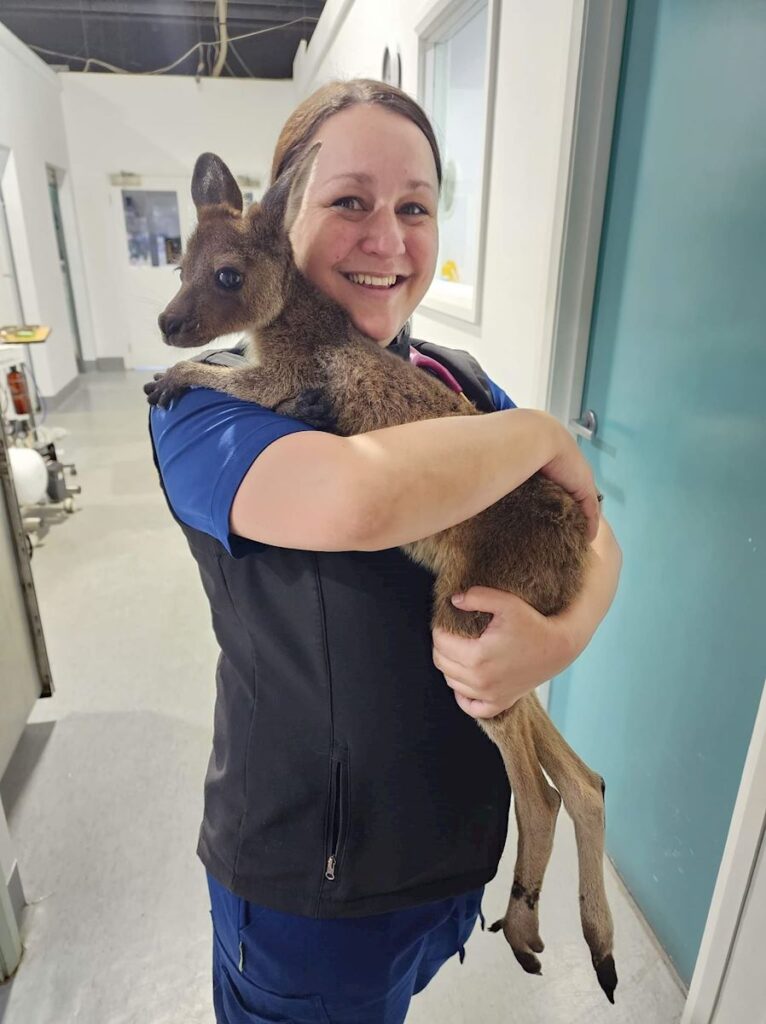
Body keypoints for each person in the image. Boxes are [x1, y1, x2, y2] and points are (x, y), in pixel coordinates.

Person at [149, 79, 622, 1024]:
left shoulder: (457, 379)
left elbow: (586, 524)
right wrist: (542, 434)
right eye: (349, 201)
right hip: (310, 902)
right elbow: (360, 494)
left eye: (415, 207)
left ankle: (554, 851)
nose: (387, 237)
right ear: (285, 220)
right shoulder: (195, 410)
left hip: (446, 871)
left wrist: (560, 639)